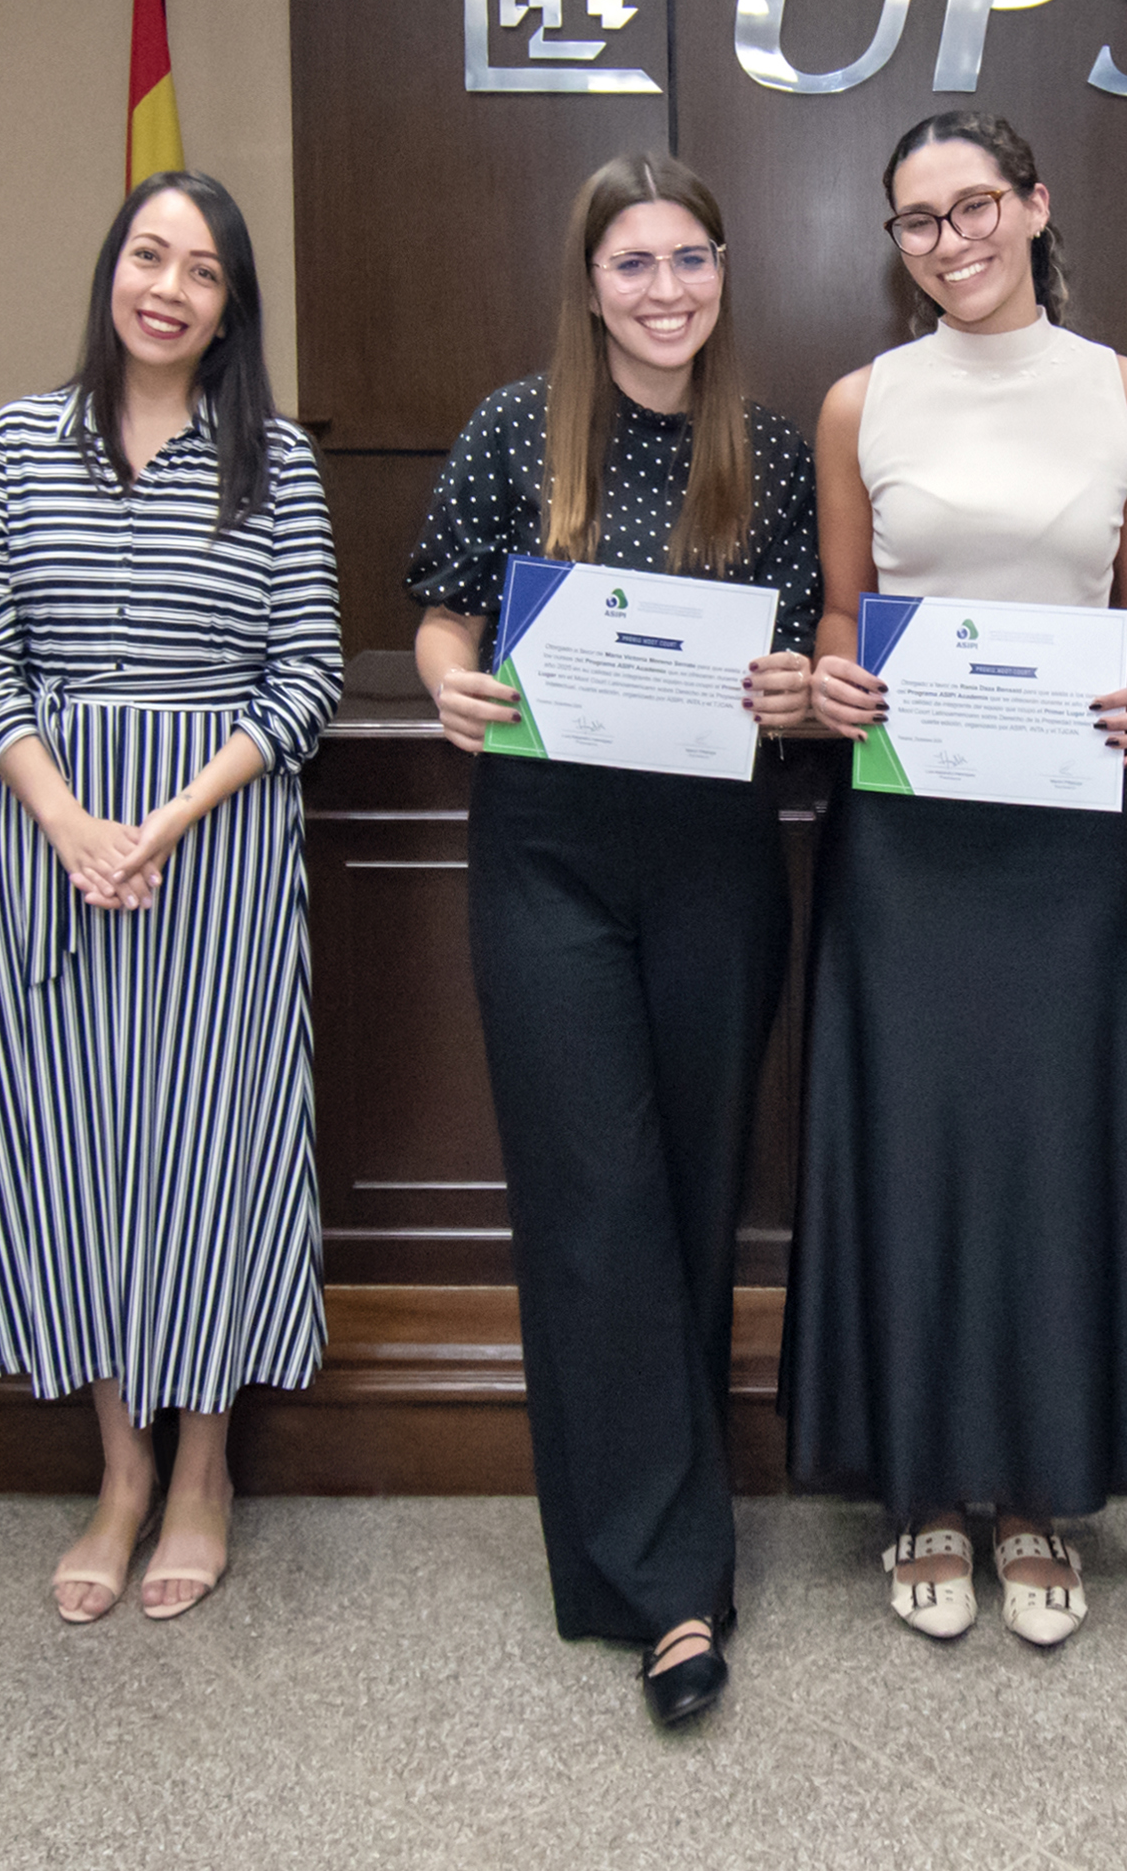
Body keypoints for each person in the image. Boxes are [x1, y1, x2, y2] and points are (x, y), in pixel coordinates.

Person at [406, 153, 821, 1730]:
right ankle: (667, 1587)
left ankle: (655, 1546)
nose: (664, 289)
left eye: (688, 259)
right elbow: (442, 608)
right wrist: (448, 679)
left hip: (715, 863)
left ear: (722, 272)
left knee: (695, 1199)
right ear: (589, 286)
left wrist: (793, 690)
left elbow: (807, 658)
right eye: (632, 263)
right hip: (548, 862)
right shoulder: (516, 429)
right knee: (592, 1198)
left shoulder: (770, 452)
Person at [789, 109, 1127, 1649]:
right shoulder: (862, 402)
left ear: (1033, 205)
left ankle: (1032, 1494)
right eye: (918, 220)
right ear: (894, 244)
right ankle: (920, 1489)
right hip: (908, 836)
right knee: (915, 1150)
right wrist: (834, 677)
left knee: (1050, 1153)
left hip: (1065, 830)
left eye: (974, 207)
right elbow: (843, 617)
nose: (950, 240)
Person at [0, 169, 343, 1630]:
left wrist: (164, 820)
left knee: (209, 1153)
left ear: (231, 309)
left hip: (217, 845)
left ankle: (204, 1468)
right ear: (110, 270)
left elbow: (306, 677)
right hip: (56, 840)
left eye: (202, 271)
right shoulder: (20, 441)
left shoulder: (273, 458)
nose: (167, 288)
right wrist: (70, 822)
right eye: (147, 256)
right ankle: (119, 1471)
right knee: (80, 1152)